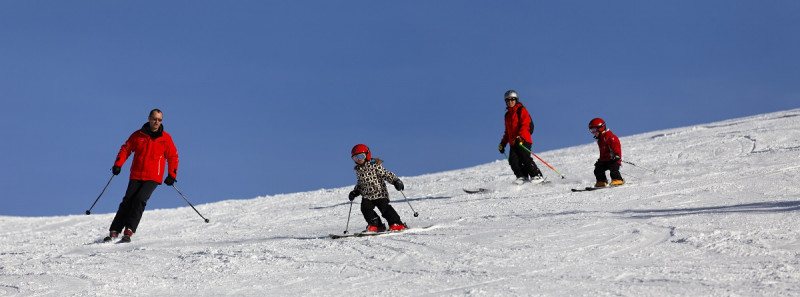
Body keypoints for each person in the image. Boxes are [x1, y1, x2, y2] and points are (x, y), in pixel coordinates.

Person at [104, 109, 179, 242]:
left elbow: (172, 156)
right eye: (154, 119)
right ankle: (115, 230)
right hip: (136, 174)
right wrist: (118, 164)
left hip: (153, 176)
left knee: (139, 199)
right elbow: (126, 149)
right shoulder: (138, 135)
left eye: (159, 120)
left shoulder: (165, 138)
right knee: (127, 200)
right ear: (149, 118)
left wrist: (171, 174)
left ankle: (129, 230)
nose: (157, 122)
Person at [348, 144, 406, 232]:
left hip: (379, 193)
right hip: (367, 195)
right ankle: (376, 225)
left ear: (367, 155)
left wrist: (395, 181)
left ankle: (396, 223)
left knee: (385, 209)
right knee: (365, 209)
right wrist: (356, 191)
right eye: (355, 158)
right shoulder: (358, 170)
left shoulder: (374, 165)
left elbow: (386, 174)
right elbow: (360, 183)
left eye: (361, 156)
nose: (359, 159)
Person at [498, 90, 544, 185]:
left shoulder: (521, 110)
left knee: (525, 158)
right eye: (508, 100)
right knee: (513, 160)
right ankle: (522, 177)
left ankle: (537, 175)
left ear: (516, 100)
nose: (510, 102)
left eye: (512, 99)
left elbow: (525, 125)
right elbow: (507, 132)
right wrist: (503, 143)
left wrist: (520, 137)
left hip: (523, 140)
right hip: (513, 142)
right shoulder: (507, 115)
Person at [588, 118, 624, 187]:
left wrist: (617, 155)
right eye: (591, 130)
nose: (593, 132)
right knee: (598, 169)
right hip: (604, 160)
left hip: (613, 159)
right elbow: (603, 152)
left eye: (594, 130)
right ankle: (601, 181)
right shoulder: (600, 140)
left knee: (613, 169)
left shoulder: (610, 137)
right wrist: (600, 159)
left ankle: (618, 179)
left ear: (601, 128)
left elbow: (616, 147)